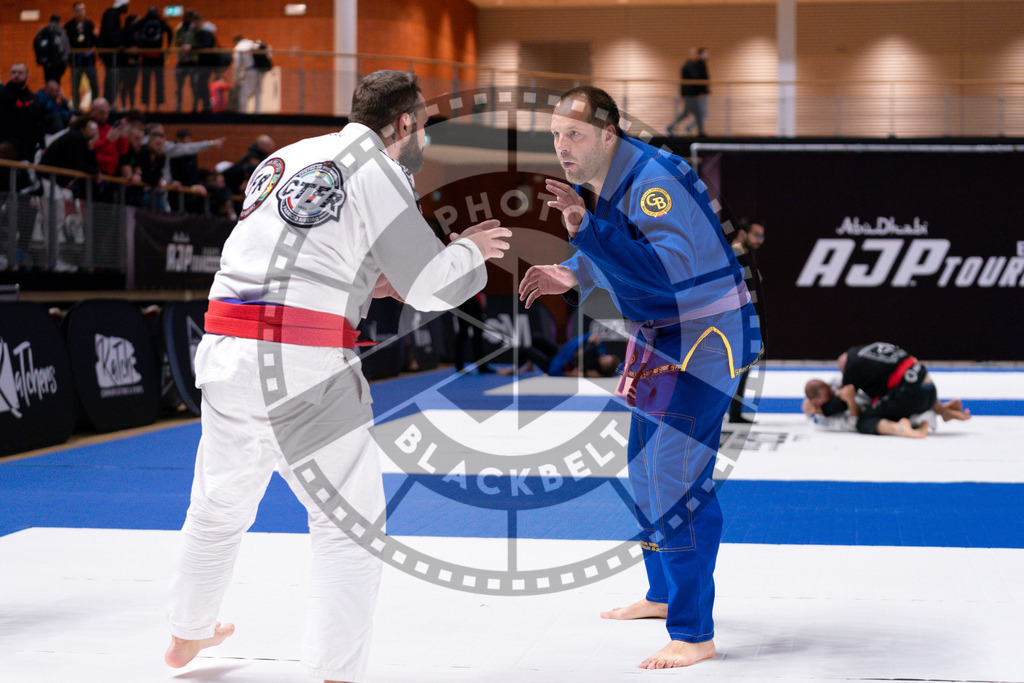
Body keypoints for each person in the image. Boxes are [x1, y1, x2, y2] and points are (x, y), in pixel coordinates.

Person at [164, 70, 512, 682]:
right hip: (301, 362)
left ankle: (187, 633)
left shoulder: (282, 159)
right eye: (424, 127)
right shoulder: (378, 168)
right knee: (348, 525)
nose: (423, 139)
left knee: (219, 502)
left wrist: (363, 278)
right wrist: (472, 254)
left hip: (223, 347)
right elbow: (429, 285)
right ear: (404, 123)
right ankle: (335, 670)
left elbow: (293, 253)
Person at [519, 86, 761, 669]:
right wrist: (572, 269)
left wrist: (585, 234)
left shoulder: (654, 182)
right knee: (644, 469)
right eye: (555, 135)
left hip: (704, 339)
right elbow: (622, 248)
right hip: (657, 338)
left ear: (608, 133)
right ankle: (662, 593)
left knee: (676, 478)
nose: (561, 147)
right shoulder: (610, 178)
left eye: (573, 135)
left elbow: (669, 271)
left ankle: (694, 631)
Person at [802, 342, 971, 438]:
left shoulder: (852, 370)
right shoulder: (869, 351)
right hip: (930, 389)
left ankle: (900, 429)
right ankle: (942, 410)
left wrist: (825, 407)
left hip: (912, 396)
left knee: (865, 420)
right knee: (898, 386)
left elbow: (845, 410)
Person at [727, 217, 765, 423]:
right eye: (756, 234)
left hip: (742, 320)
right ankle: (732, 413)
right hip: (735, 322)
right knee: (738, 366)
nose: (760, 240)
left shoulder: (743, 256)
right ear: (743, 233)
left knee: (742, 366)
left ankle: (734, 413)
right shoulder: (735, 256)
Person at [499, 331, 621, 378]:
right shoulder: (600, 352)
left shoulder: (590, 370)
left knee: (527, 351)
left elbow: (557, 371)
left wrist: (570, 374)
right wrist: (594, 337)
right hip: (560, 352)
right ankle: (529, 366)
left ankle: (513, 369)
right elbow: (593, 337)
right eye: (606, 356)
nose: (603, 356)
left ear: (603, 367)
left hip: (554, 364)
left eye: (604, 359)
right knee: (536, 337)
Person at [0, 63, 44, 162]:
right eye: (13, 72)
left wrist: (43, 145)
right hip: (7, 141)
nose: (16, 75)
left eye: (20, 73)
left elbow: (39, 123)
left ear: (27, 76)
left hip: (27, 145)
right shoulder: (3, 94)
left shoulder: (33, 98)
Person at [132, 6, 173, 111]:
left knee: (151, 83)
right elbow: (170, 31)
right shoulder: (159, 21)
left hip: (152, 56)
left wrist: (168, 46)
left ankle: (151, 105)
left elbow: (132, 29)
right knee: (154, 83)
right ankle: (152, 106)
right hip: (151, 56)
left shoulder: (146, 21)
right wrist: (168, 46)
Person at [666, 48, 710, 137]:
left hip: (692, 94)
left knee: (694, 113)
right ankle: (670, 128)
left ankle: (699, 131)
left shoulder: (693, 65)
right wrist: (683, 95)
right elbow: (693, 79)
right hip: (689, 94)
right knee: (694, 113)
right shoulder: (689, 65)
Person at [65, 3, 99, 112]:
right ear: (74, 11)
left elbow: (94, 42)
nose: (81, 12)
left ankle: (95, 107)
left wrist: (96, 36)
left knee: (94, 84)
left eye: (83, 10)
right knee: (75, 85)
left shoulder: (89, 24)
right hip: (76, 60)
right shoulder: (69, 26)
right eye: (78, 10)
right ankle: (76, 108)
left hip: (88, 59)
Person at [98, 0, 130, 104]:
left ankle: (110, 102)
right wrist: (118, 45)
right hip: (111, 55)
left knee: (113, 80)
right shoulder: (112, 14)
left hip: (111, 55)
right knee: (111, 81)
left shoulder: (112, 14)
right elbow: (110, 33)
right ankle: (109, 103)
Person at [33, 15, 71, 87]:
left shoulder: (44, 31)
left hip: (48, 62)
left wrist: (40, 59)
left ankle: (50, 95)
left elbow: (36, 45)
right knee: (55, 81)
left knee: (49, 81)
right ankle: (53, 95)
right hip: (57, 62)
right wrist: (65, 61)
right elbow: (66, 47)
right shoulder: (60, 32)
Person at [173, 10, 199, 113]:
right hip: (182, 61)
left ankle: (195, 108)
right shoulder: (180, 28)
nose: (185, 19)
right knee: (179, 87)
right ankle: (178, 107)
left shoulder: (195, 28)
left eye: (188, 17)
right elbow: (176, 42)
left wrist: (190, 47)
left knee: (194, 86)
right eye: (184, 17)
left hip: (192, 61)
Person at [232, 34, 263, 113]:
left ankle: (243, 114)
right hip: (260, 71)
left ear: (236, 41)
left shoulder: (239, 47)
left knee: (244, 94)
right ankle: (258, 114)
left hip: (250, 71)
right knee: (258, 94)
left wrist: (236, 78)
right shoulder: (253, 43)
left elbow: (237, 65)